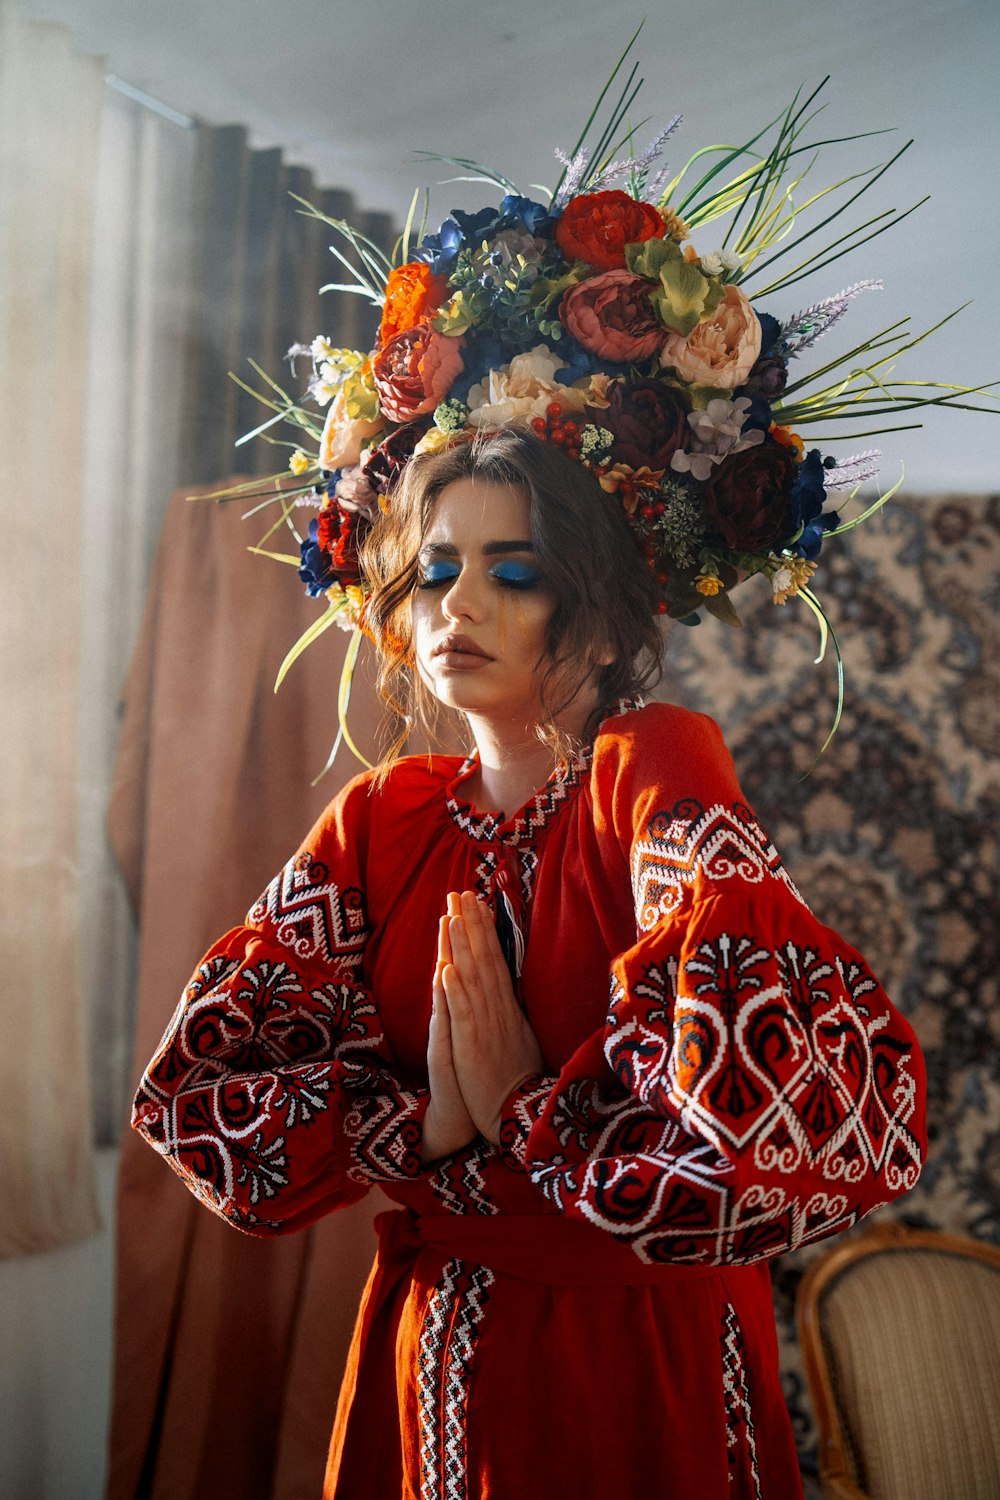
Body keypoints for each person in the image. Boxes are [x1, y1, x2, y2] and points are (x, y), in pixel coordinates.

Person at [132, 429, 926, 1500]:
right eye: (436, 570)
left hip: (630, 1350)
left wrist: (525, 1109)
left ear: (597, 627)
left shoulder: (649, 767)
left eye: (513, 572)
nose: (459, 605)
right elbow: (201, 1102)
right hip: (431, 1338)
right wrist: (422, 1128)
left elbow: (770, 1110)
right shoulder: (378, 818)